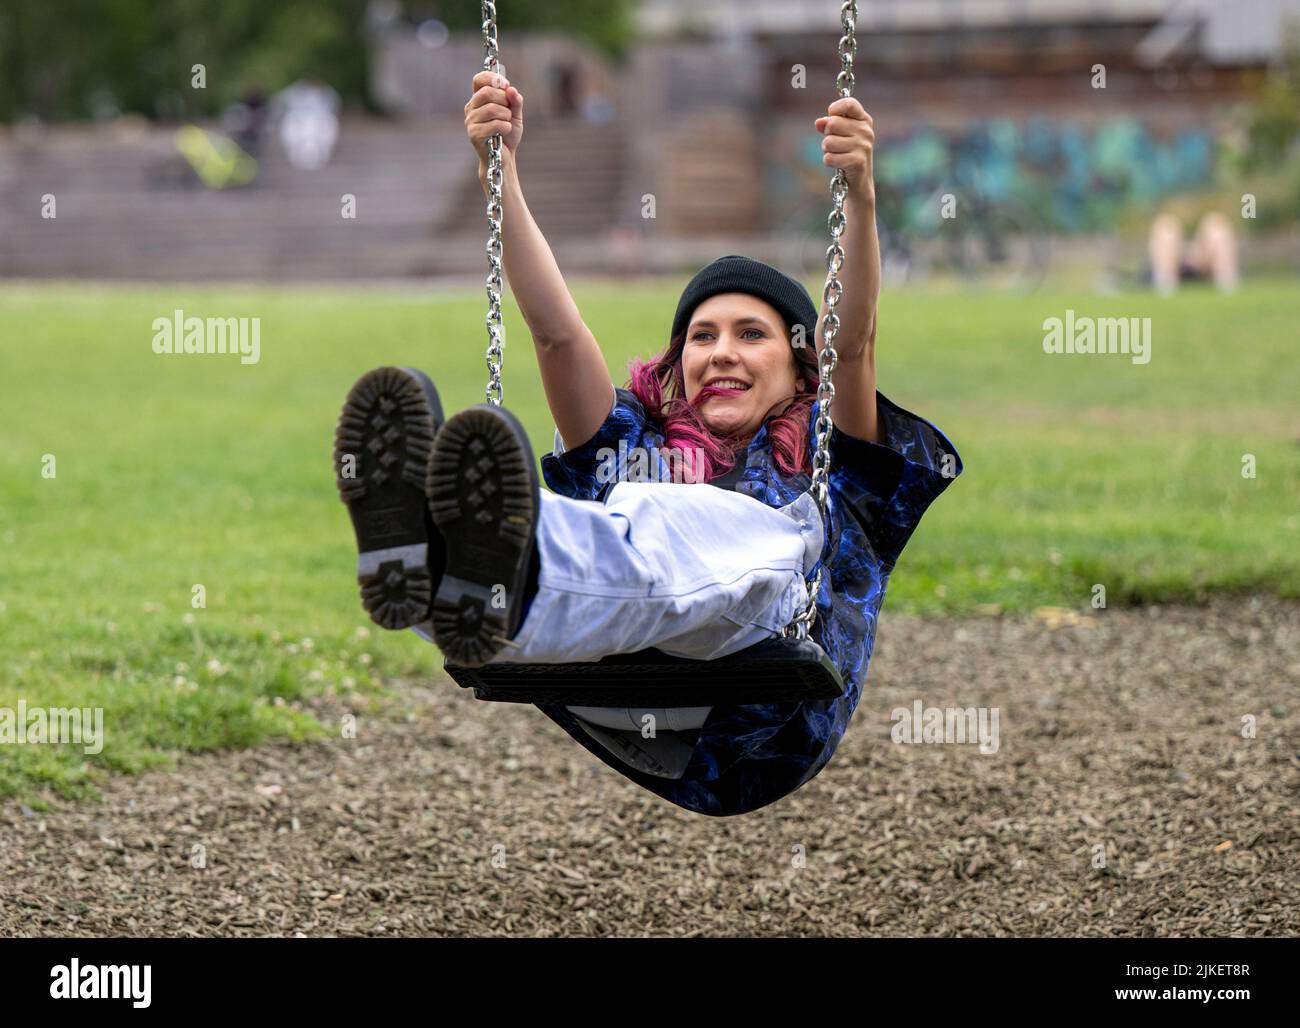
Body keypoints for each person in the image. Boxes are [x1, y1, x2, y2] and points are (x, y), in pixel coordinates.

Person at [331, 71, 963, 816]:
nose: (721, 351)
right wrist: (496, 171)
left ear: (801, 370)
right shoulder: (638, 439)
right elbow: (557, 334)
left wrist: (858, 195)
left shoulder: (838, 464)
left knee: (708, 522)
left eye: (751, 334)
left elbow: (852, 345)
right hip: (620, 696)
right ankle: (445, 566)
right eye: (702, 335)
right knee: (627, 496)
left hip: (759, 726)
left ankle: (514, 578)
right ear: (679, 363)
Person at [1148, 210, 1239, 295]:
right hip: (1177, 255)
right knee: (1167, 228)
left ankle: (1226, 280)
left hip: (1201, 256)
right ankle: (1165, 281)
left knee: (1216, 227)